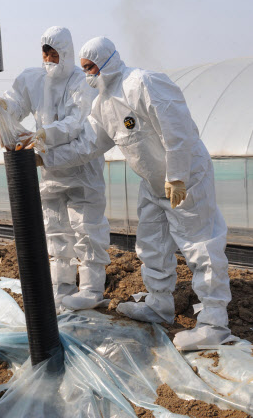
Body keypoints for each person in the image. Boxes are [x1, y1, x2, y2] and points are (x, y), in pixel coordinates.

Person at [38, 36, 234, 350]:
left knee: (201, 246)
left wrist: (179, 176)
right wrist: (46, 157)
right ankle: (159, 306)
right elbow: (88, 145)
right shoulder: (102, 104)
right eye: (85, 69)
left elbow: (177, 128)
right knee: (151, 245)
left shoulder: (142, 83)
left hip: (186, 178)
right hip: (152, 183)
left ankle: (214, 324)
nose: (89, 75)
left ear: (107, 60)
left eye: (92, 67)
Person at [0, 27, 110, 311]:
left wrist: (44, 135)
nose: (48, 57)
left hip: (81, 170)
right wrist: (4, 108)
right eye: (45, 51)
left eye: (54, 52)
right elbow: (18, 102)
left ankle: (91, 291)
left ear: (66, 52)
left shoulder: (83, 82)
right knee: (56, 232)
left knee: (87, 230)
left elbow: (78, 123)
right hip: (50, 171)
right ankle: (61, 289)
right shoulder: (34, 79)